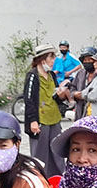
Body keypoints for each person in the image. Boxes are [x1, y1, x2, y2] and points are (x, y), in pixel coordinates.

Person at [23, 44, 66, 177]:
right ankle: (40, 179)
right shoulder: (32, 75)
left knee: (57, 152)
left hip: (54, 118)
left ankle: (58, 180)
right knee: (40, 154)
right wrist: (33, 121)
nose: (53, 61)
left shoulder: (52, 75)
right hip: (40, 120)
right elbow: (28, 99)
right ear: (42, 60)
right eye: (51, 58)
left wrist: (61, 94)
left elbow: (57, 96)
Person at [69, 46, 97, 118]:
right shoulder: (80, 73)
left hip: (94, 110)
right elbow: (72, 87)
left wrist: (84, 95)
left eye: (89, 60)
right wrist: (74, 94)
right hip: (80, 109)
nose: (87, 62)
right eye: (85, 60)